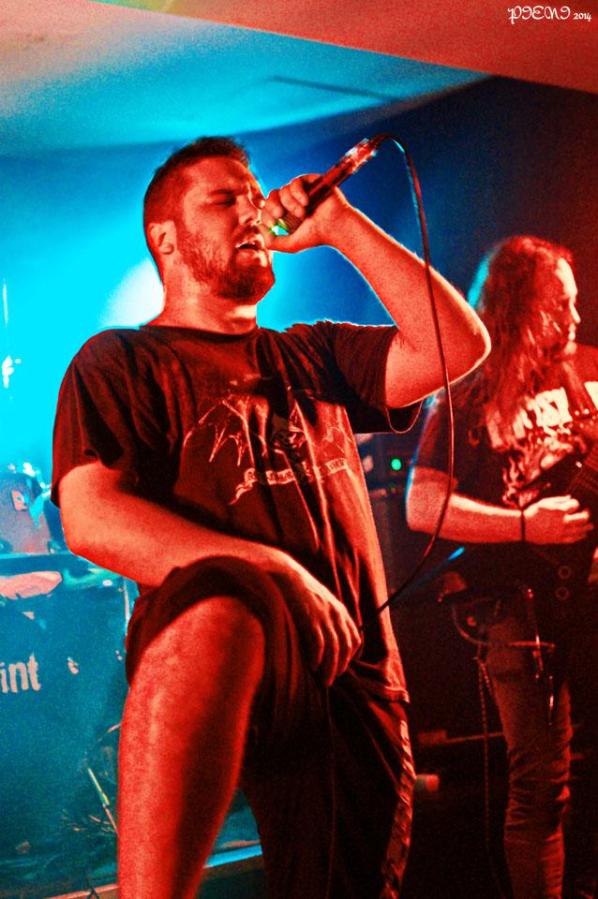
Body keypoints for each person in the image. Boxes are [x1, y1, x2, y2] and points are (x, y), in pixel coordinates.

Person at [51, 136, 489, 899]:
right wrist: (272, 568)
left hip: (349, 669)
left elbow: (458, 345)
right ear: (166, 238)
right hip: (218, 652)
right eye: (224, 199)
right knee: (220, 609)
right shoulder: (120, 360)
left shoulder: (312, 353)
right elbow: (90, 517)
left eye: (253, 195)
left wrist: (342, 224)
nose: (251, 210)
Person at [407, 235, 598, 899]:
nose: (575, 317)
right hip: (517, 604)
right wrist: (524, 525)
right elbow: (422, 505)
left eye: (575, 303)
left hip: (591, 593)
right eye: (559, 305)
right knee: (541, 782)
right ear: (518, 307)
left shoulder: (589, 373)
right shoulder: (470, 389)